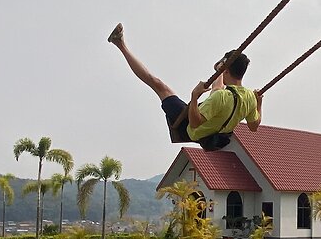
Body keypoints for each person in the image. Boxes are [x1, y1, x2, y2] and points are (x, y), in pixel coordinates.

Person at [107, 23, 263, 151]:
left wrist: (194, 97)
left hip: (190, 129)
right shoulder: (249, 97)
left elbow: (194, 123)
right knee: (219, 94)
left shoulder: (221, 96)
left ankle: (120, 44)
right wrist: (259, 104)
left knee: (159, 85)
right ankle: (218, 72)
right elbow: (254, 126)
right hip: (215, 130)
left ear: (227, 69)